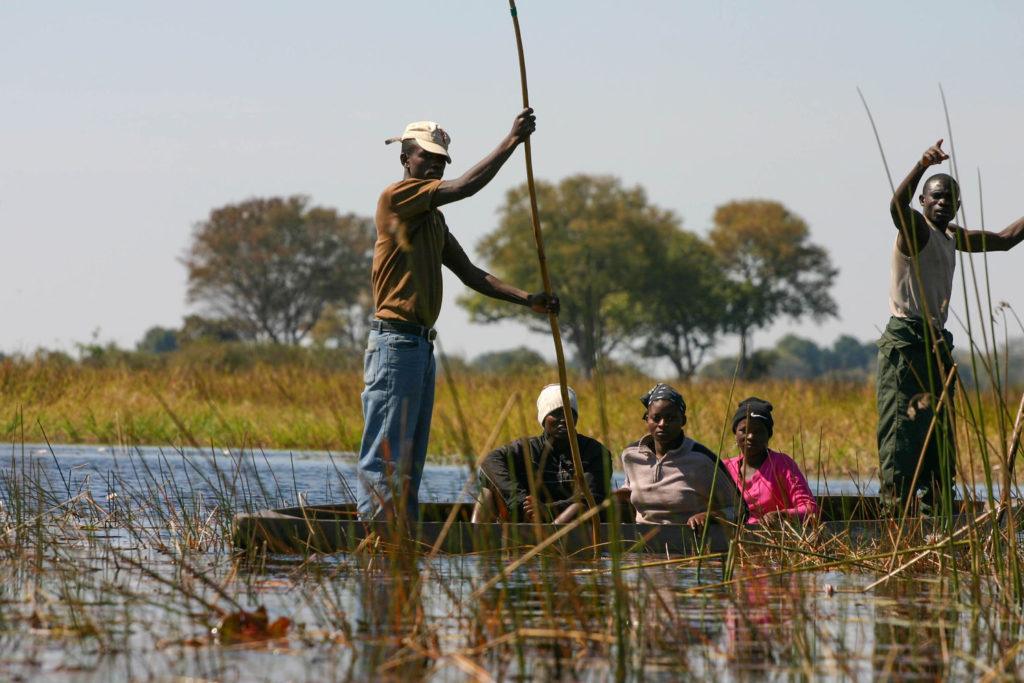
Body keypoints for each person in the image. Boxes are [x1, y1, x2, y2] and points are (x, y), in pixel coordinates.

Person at [357, 110, 559, 520]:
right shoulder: (396, 197)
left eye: (440, 160)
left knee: (411, 459)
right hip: (394, 343)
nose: (432, 165)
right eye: (424, 158)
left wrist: (528, 299)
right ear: (405, 159)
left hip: (418, 347)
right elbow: (465, 186)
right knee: (387, 455)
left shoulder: (432, 219)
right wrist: (511, 141)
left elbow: (471, 274)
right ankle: (377, 541)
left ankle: (405, 545)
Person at [878, 140, 1024, 515]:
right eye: (936, 197)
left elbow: (1005, 241)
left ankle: (937, 512)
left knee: (940, 436)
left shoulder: (951, 236)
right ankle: (897, 515)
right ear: (924, 201)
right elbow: (896, 207)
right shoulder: (916, 230)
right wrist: (922, 164)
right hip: (907, 343)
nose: (942, 203)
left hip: (938, 345)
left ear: (957, 206)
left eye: (949, 199)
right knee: (903, 436)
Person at [473, 384, 612, 524]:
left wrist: (547, 510)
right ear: (544, 418)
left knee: (579, 506)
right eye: (556, 413)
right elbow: (489, 461)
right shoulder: (526, 449)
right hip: (528, 519)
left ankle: (552, 538)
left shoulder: (594, 451)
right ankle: (474, 539)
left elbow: (591, 498)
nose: (564, 419)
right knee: (487, 491)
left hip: (571, 525)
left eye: (570, 412)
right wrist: (520, 499)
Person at [616, 383, 741, 527]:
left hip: (688, 543)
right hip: (641, 542)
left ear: (683, 421)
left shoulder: (702, 459)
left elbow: (740, 510)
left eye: (670, 418)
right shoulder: (631, 455)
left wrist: (710, 516)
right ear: (646, 419)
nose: (662, 424)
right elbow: (631, 488)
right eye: (656, 418)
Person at [723, 397, 818, 525]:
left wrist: (782, 515)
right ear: (735, 434)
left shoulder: (782, 464)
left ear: (768, 435)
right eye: (744, 430)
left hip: (776, 539)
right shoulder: (724, 468)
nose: (750, 436)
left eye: (758, 431)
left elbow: (810, 510)